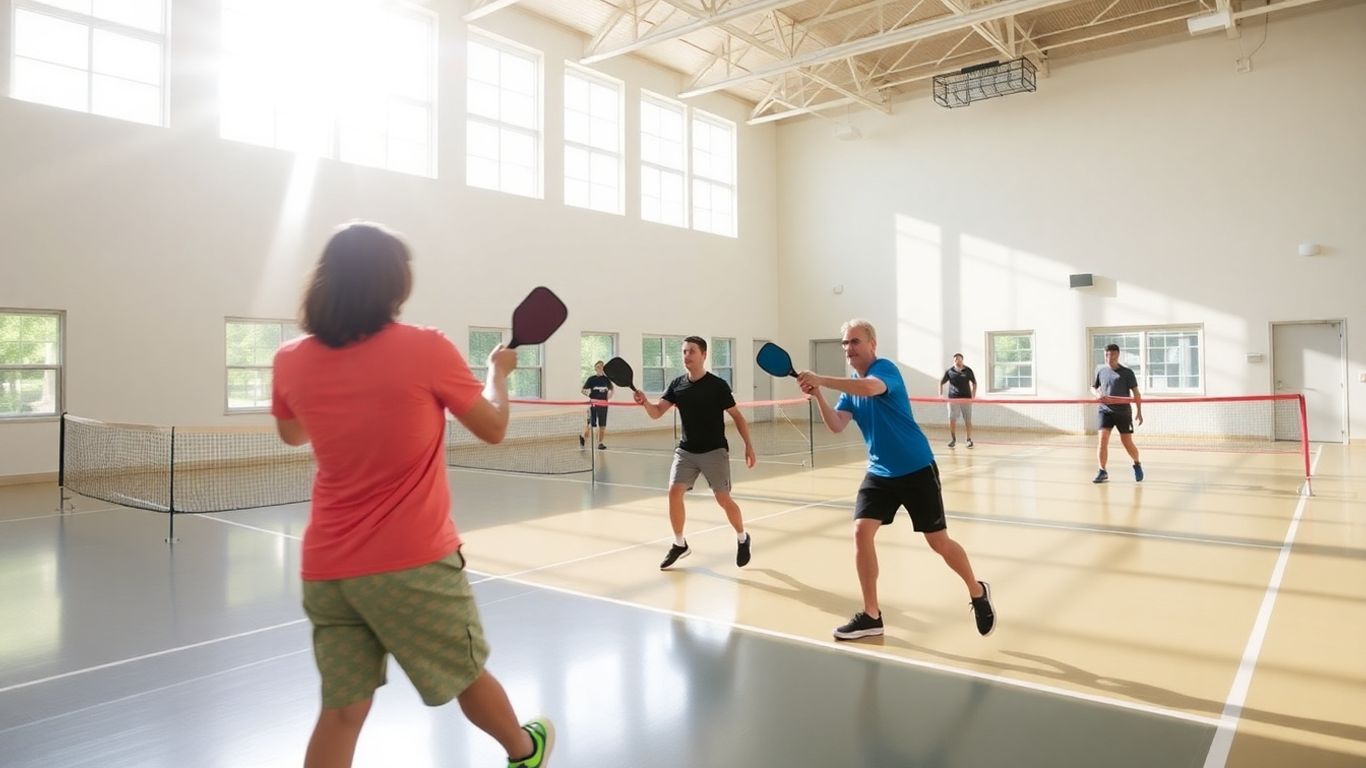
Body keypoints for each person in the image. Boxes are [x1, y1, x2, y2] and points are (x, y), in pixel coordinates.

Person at [272, 222, 553, 768]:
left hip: (328, 572)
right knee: (467, 674)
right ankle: (525, 753)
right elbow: (493, 426)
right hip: (411, 563)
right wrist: (498, 373)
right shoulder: (425, 348)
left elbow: (292, 432)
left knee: (343, 711)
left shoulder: (290, 358)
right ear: (392, 286)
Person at [796, 319, 995, 641]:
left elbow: (872, 388)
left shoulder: (884, 369)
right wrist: (818, 394)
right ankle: (871, 615)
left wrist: (822, 379)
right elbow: (835, 425)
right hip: (879, 472)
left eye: (855, 342)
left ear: (872, 345)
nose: (849, 349)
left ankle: (977, 591)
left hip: (916, 468)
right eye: (845, 343)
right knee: (861, 531)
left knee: (938, 542)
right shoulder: (849, 388)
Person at [633, 336, 757, 570]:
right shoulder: (677, 384)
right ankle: (680, 544)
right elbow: (657, 412)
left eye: (691, 351)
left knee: (723, 499)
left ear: (704, 355)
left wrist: (748, 445)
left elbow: (737, 417)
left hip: (714, 451)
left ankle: (742, 537)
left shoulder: (717, 386)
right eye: (684, 352)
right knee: (673, 492)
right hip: (686, 451)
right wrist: (644, 402)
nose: (686, 356)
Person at [1092, 343, 1144, 483]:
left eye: (1112, 354)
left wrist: (1139, 411)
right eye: (1107, 355)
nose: (1109, 357)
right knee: (1102, 440)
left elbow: (1136, 393)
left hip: (1123, 412)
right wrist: (1097, 394)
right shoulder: (1101, 371)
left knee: (1126, 442)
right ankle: (1102, 470)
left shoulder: (1127, 373)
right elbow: (1094, 387)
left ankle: (1136, 462)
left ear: (1118, 355)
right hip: (1105, 410)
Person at [939, 353, 976, 448]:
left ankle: (968, 440)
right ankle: (953, 439)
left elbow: (974, 383)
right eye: (955, 359)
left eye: (959, 359)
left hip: (966, 399)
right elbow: (941, 382)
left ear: (962, 360)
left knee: (967, 419)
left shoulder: (968, 370)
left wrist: (973, 395)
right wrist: (940, 395)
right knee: (952, 419)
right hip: (953, 399)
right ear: (953, 361)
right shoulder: (949, 371)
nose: (957, 361)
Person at [579, 360, 614, 449]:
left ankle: (600, 443)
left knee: (602, 426)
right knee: (590, 425)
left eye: (602, 367)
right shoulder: (591, 379)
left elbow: (611, 389)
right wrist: (591, 396)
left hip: (603, 405)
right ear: (595, 368)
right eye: (598, 367)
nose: (600, 368)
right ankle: (582, 436)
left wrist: (609, 394)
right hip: (593, 405)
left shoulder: (607, 380)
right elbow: (583, 390)